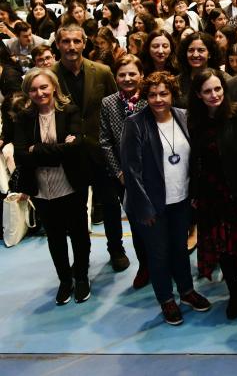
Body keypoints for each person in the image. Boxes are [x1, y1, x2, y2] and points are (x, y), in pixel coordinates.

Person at [121, 72, 211, 326]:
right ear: (145, 97)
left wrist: (194, 194)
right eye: (152, 94)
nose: (158, 99)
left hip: (181, 199)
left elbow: (194, 161)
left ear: (172, 94)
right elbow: (131, 170)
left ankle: (186, 291)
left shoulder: (183, 116)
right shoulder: (135, 123)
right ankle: (166, 299)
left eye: (163, 93)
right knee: (159, 254)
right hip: (152, 204)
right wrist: (143, 207)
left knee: (180, 249)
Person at [187, 68, 237, 320]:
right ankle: (235, 293)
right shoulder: (195, 120)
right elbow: (195, 161)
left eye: (218, 89)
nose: (214, 95)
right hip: (211, 197)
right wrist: (195, 193)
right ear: (199, 95)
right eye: (207, 91)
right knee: (224, 251)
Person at [14, 68, 90, 305]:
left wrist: (36, 150)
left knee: (78, 234)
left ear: (54, 87)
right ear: (28, 93)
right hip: (41, 190)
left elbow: (76, 148)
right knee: (55, 238)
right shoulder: (23, 118)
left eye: (44, 87)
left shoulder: (70, 111)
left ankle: (81, 277)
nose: (40, 92)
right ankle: (65, 280)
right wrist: (59, 150)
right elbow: (20, 155)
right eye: (34, 89)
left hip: (70, 185)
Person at [51, 24, 120, 269]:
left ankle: (117, 249)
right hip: (69, 155)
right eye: (66, 41)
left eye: (76, 41)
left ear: (84, 44)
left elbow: (116, 108)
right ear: (58, 44)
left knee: (111, 205)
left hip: (101, 151)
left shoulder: (102, 72)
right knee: (77, 212)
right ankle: (83, 259)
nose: (71, 46)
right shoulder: (48, 76)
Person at [99, 55, 149, 289]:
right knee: (137, 225)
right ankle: (145, 266)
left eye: (132, 74)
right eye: (122, 74)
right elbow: (105, 141)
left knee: (158, 222)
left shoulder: (151, 98)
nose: (127, 79)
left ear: (141, 75)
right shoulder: (108, 103)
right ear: (115, 77)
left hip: (152, 174)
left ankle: (165, 264)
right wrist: (119, 172)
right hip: (123, 177)